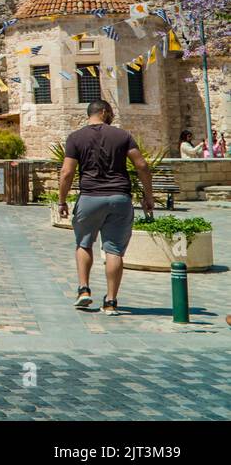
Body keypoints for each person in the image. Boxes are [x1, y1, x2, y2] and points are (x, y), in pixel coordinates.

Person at [59, 100, 154, 315]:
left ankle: (84, 290)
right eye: (110, 112)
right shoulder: (123, 136)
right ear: (103, 112)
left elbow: (67, 172)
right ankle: (111, 301)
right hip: (120, 198)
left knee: (83, 244)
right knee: (114, 250)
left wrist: (62, 200)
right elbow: (142, 165)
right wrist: (149, 196)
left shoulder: (75, 138)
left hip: (90, 197)